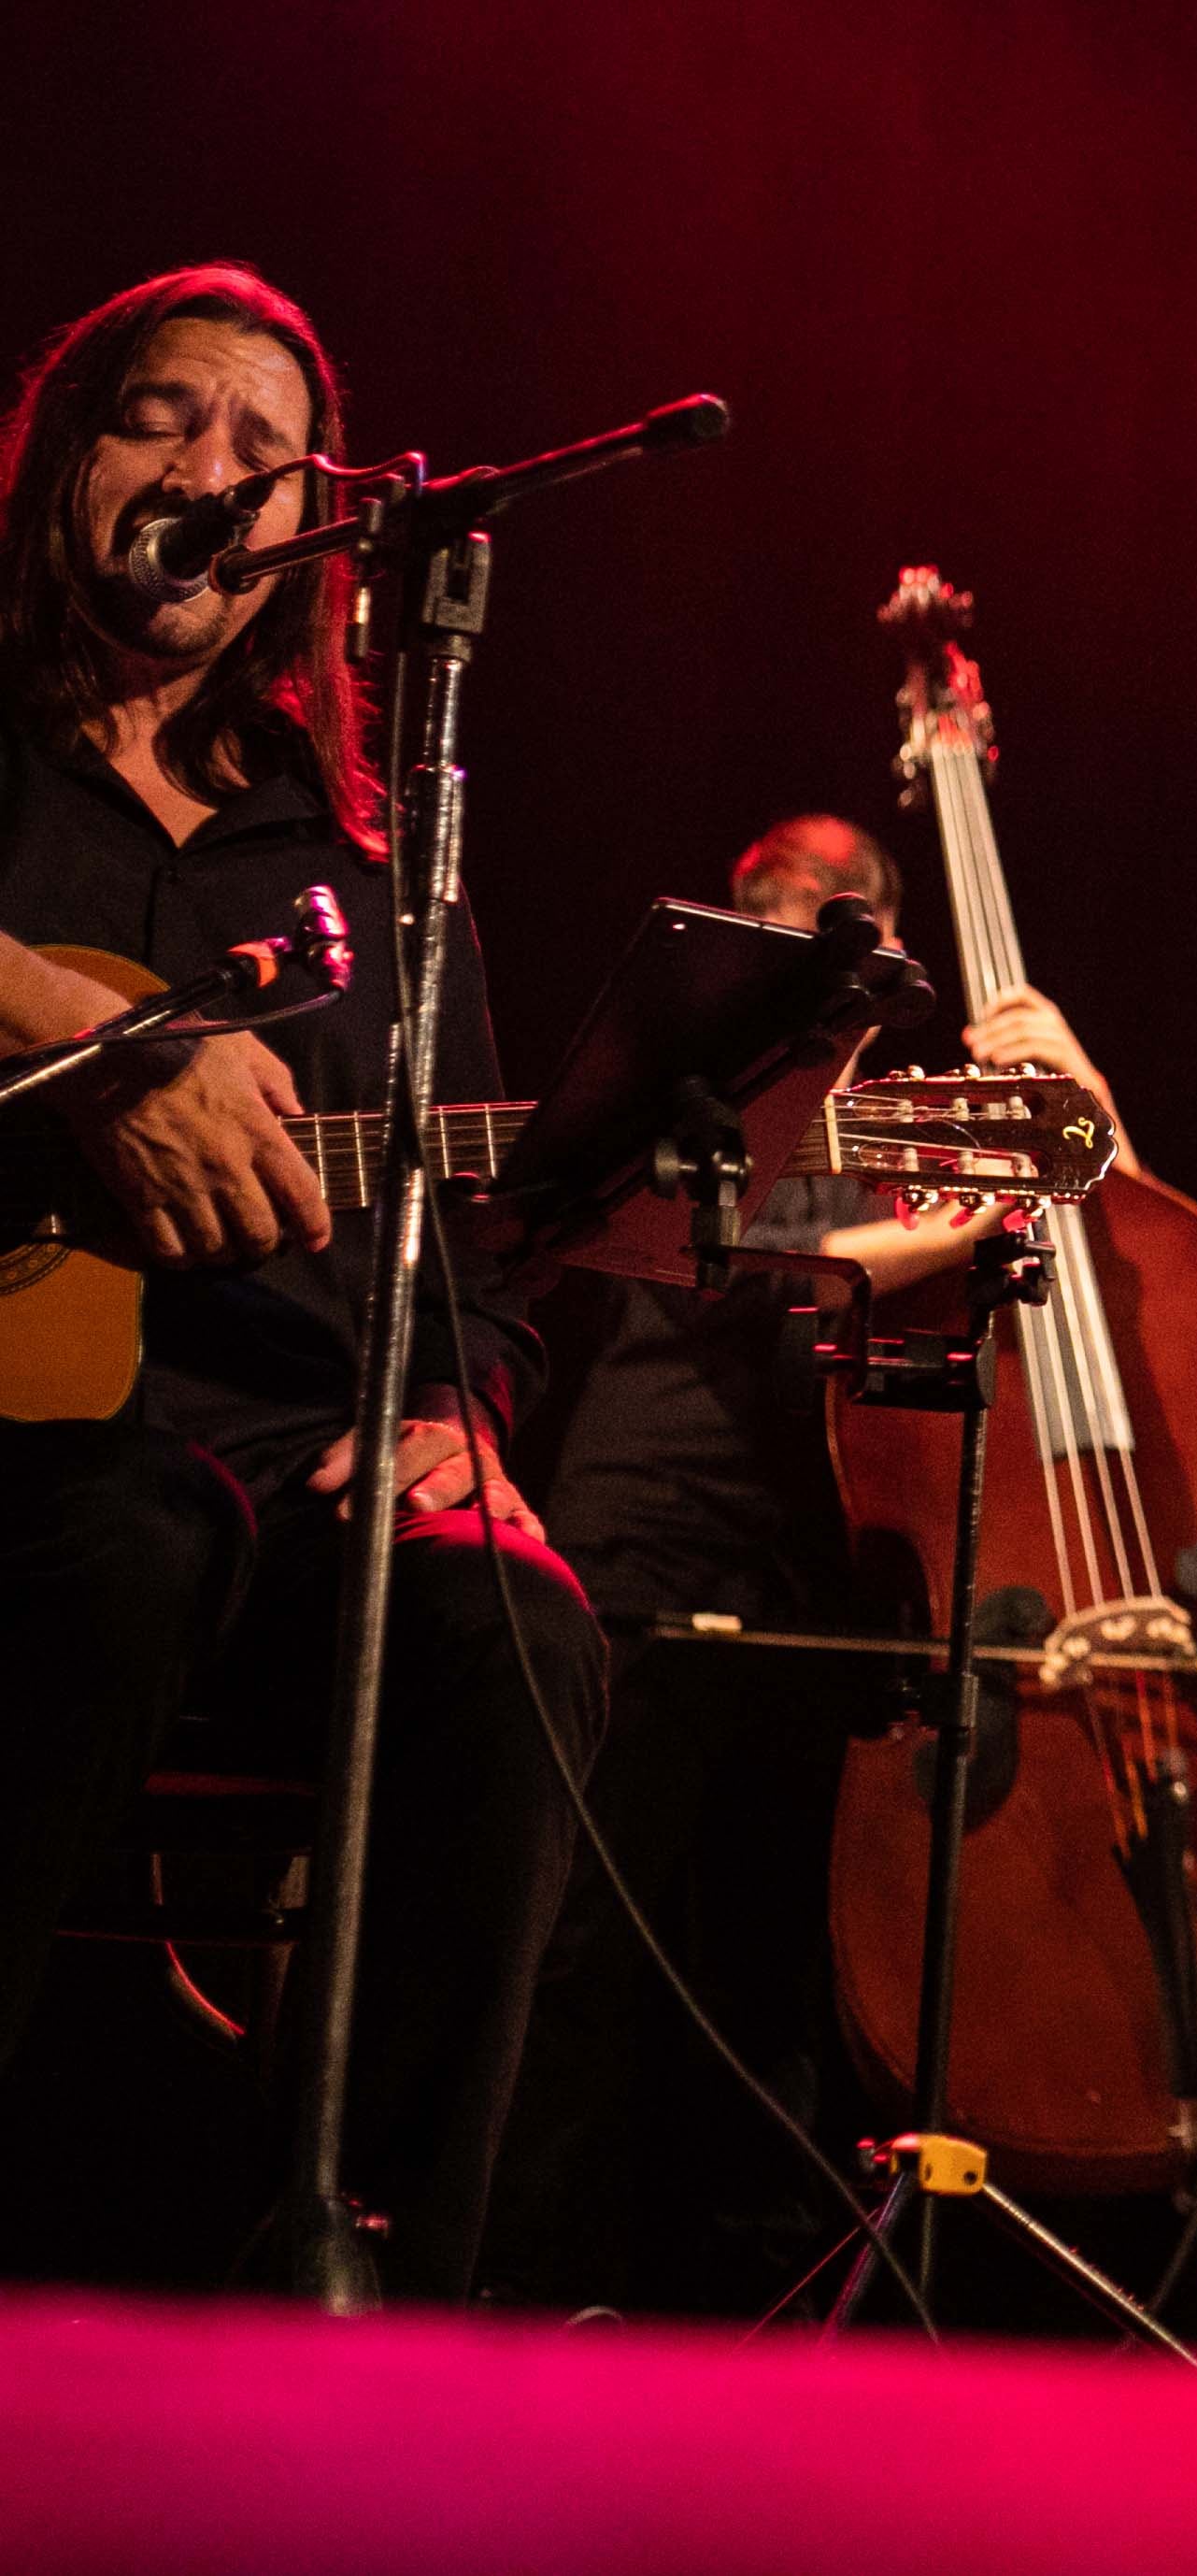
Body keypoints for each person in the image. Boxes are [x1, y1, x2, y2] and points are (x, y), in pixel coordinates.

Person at [0, 265, 604, 2297]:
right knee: (122, 1538)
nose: (213, 470)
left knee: (517, 1628)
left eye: (268, 454)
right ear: (64, 457)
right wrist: (106, 1056)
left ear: (310, 538)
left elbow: (476, 1250)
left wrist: (463, 1411)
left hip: (289, 1479)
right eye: (163, 416)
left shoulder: (362, 870)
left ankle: (367, 2301)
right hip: (56, 1480)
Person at [485, 815, 1130, 2311]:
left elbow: (1104, 1239)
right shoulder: (697, 1100)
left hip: (824, 1580)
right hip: (645, 1549)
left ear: (886, 941)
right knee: (584, 1945)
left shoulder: (907, 1122)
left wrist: (1085, 1111)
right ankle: (509, 2293)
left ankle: (758, 2324)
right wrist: (970, 1222)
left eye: (833, 914)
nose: (802, 936)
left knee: (777, 1972)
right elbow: (754, 1262)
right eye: (772, 914)